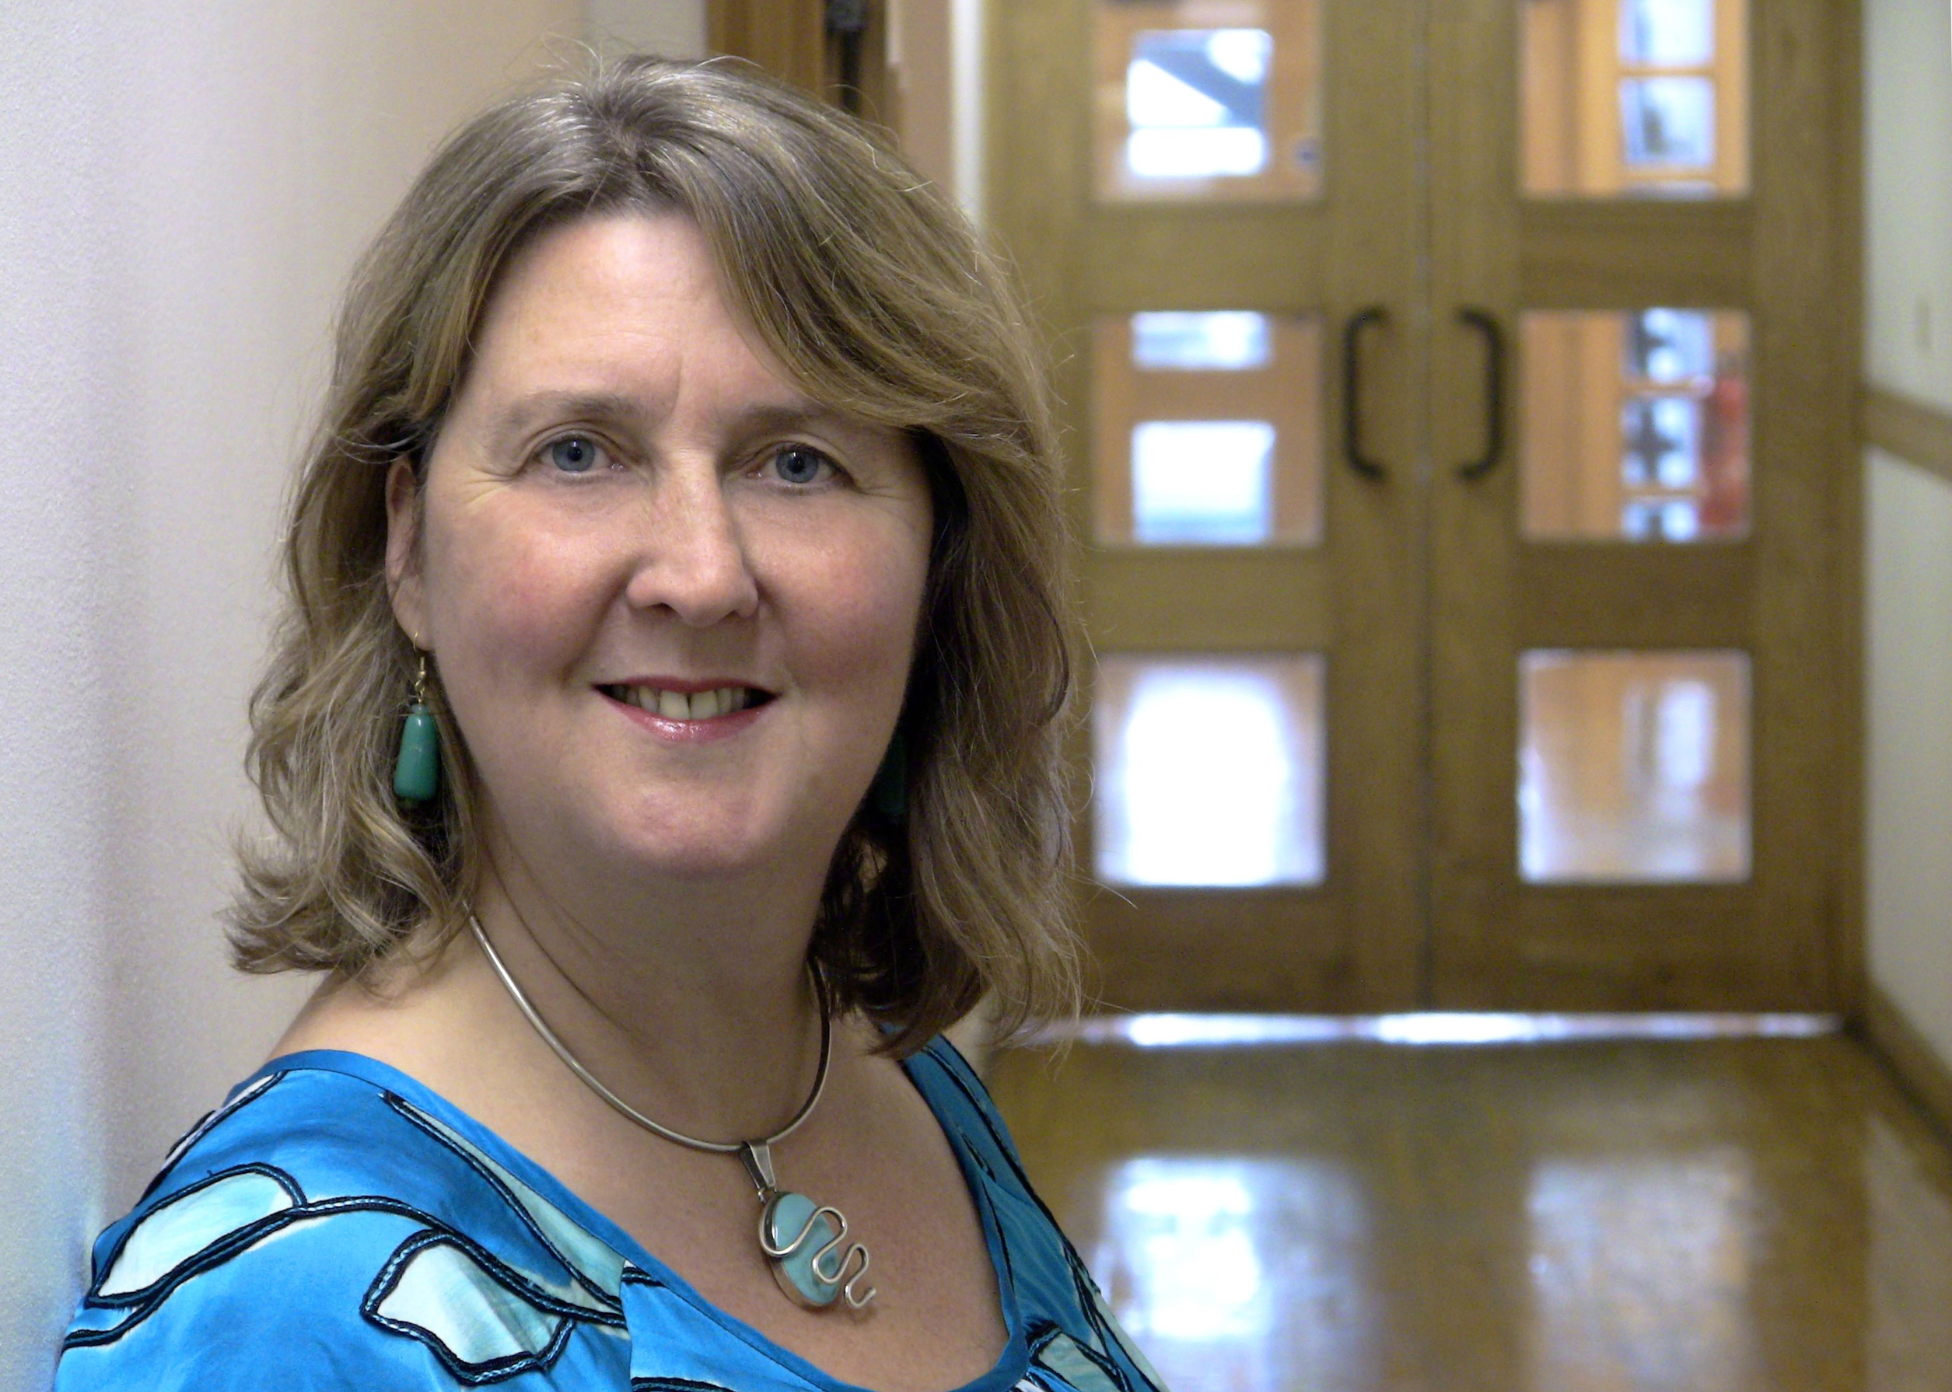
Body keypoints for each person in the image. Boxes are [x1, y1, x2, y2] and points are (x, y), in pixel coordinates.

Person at [54, 56, 1164, 1392]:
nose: (699, 573)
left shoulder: (885, 1078)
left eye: (798, 461)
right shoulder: (295, 1312)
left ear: (940, 561)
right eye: (579, 453)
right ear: (406, 550)